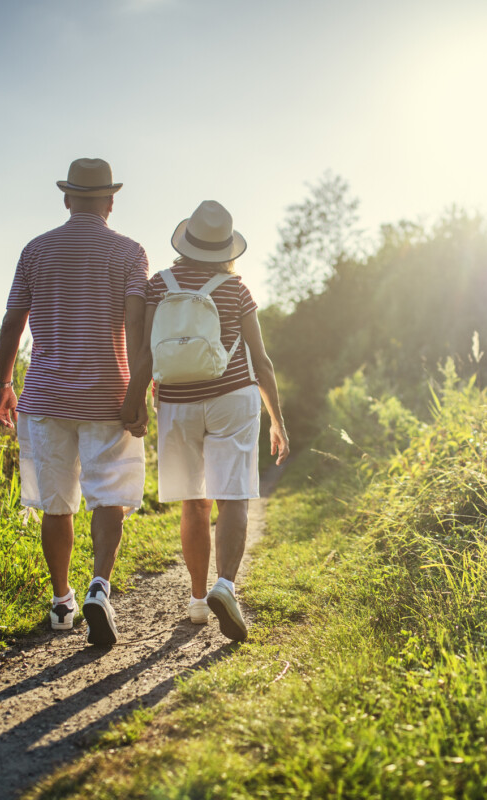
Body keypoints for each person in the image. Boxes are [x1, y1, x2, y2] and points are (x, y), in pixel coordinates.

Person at [0, 157, 150, 647]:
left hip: (44, 394)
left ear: (66, 198)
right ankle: (98, 587)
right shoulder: (129, 252)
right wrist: (138, 393)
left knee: (55, 503)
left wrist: (3, 382)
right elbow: (137, 328)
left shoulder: (35, 251)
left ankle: (62, 601)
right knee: (109, 496)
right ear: (109, 201)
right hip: (109, 394)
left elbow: (12, 323)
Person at [122, 200, 288, 642]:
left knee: (194, 502)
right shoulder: (236, 289)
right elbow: (263, 360)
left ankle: (198, 600)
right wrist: (277, 420)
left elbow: (143, 352)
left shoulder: (159, 285)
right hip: (233, 396)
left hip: (176, 401)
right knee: (233, 495)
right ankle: (225, 585)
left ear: (187, 241)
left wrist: (134, 399)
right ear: (225, 249)